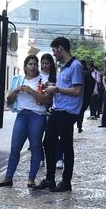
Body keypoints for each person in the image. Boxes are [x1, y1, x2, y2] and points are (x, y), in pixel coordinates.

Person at [0, 55, 52, 188]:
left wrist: (31, 91)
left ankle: (31, 179)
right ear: (25, 67)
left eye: (35, 64)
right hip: (21, 115)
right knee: (15, 148)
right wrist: (16, 91)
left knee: (35, 146)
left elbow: (46, 100)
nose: (33, 67)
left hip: (37, 116)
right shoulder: (18, 79)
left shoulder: (43, 81)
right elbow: (9, 100)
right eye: (30, 64)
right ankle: (8, 178)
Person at [34, 37, 83, 192]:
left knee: (66, 146)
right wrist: (53, 86)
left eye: (55, 50)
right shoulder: (63, 66)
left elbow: (77, 90)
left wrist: (57, 89)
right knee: (48, 143)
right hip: (57, 109)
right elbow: (66, 86)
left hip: (68, 112)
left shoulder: (75, 66)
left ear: (61, 48)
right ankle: (50, 179)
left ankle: (66, 182)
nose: (54, 54)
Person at [77, 59, 96, 133]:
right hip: (86, 96)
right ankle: (79, 126)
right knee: (81, 112)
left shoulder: (78, 72)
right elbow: (93, 82)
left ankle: (77, 125)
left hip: (77, 95)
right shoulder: (88, 73)